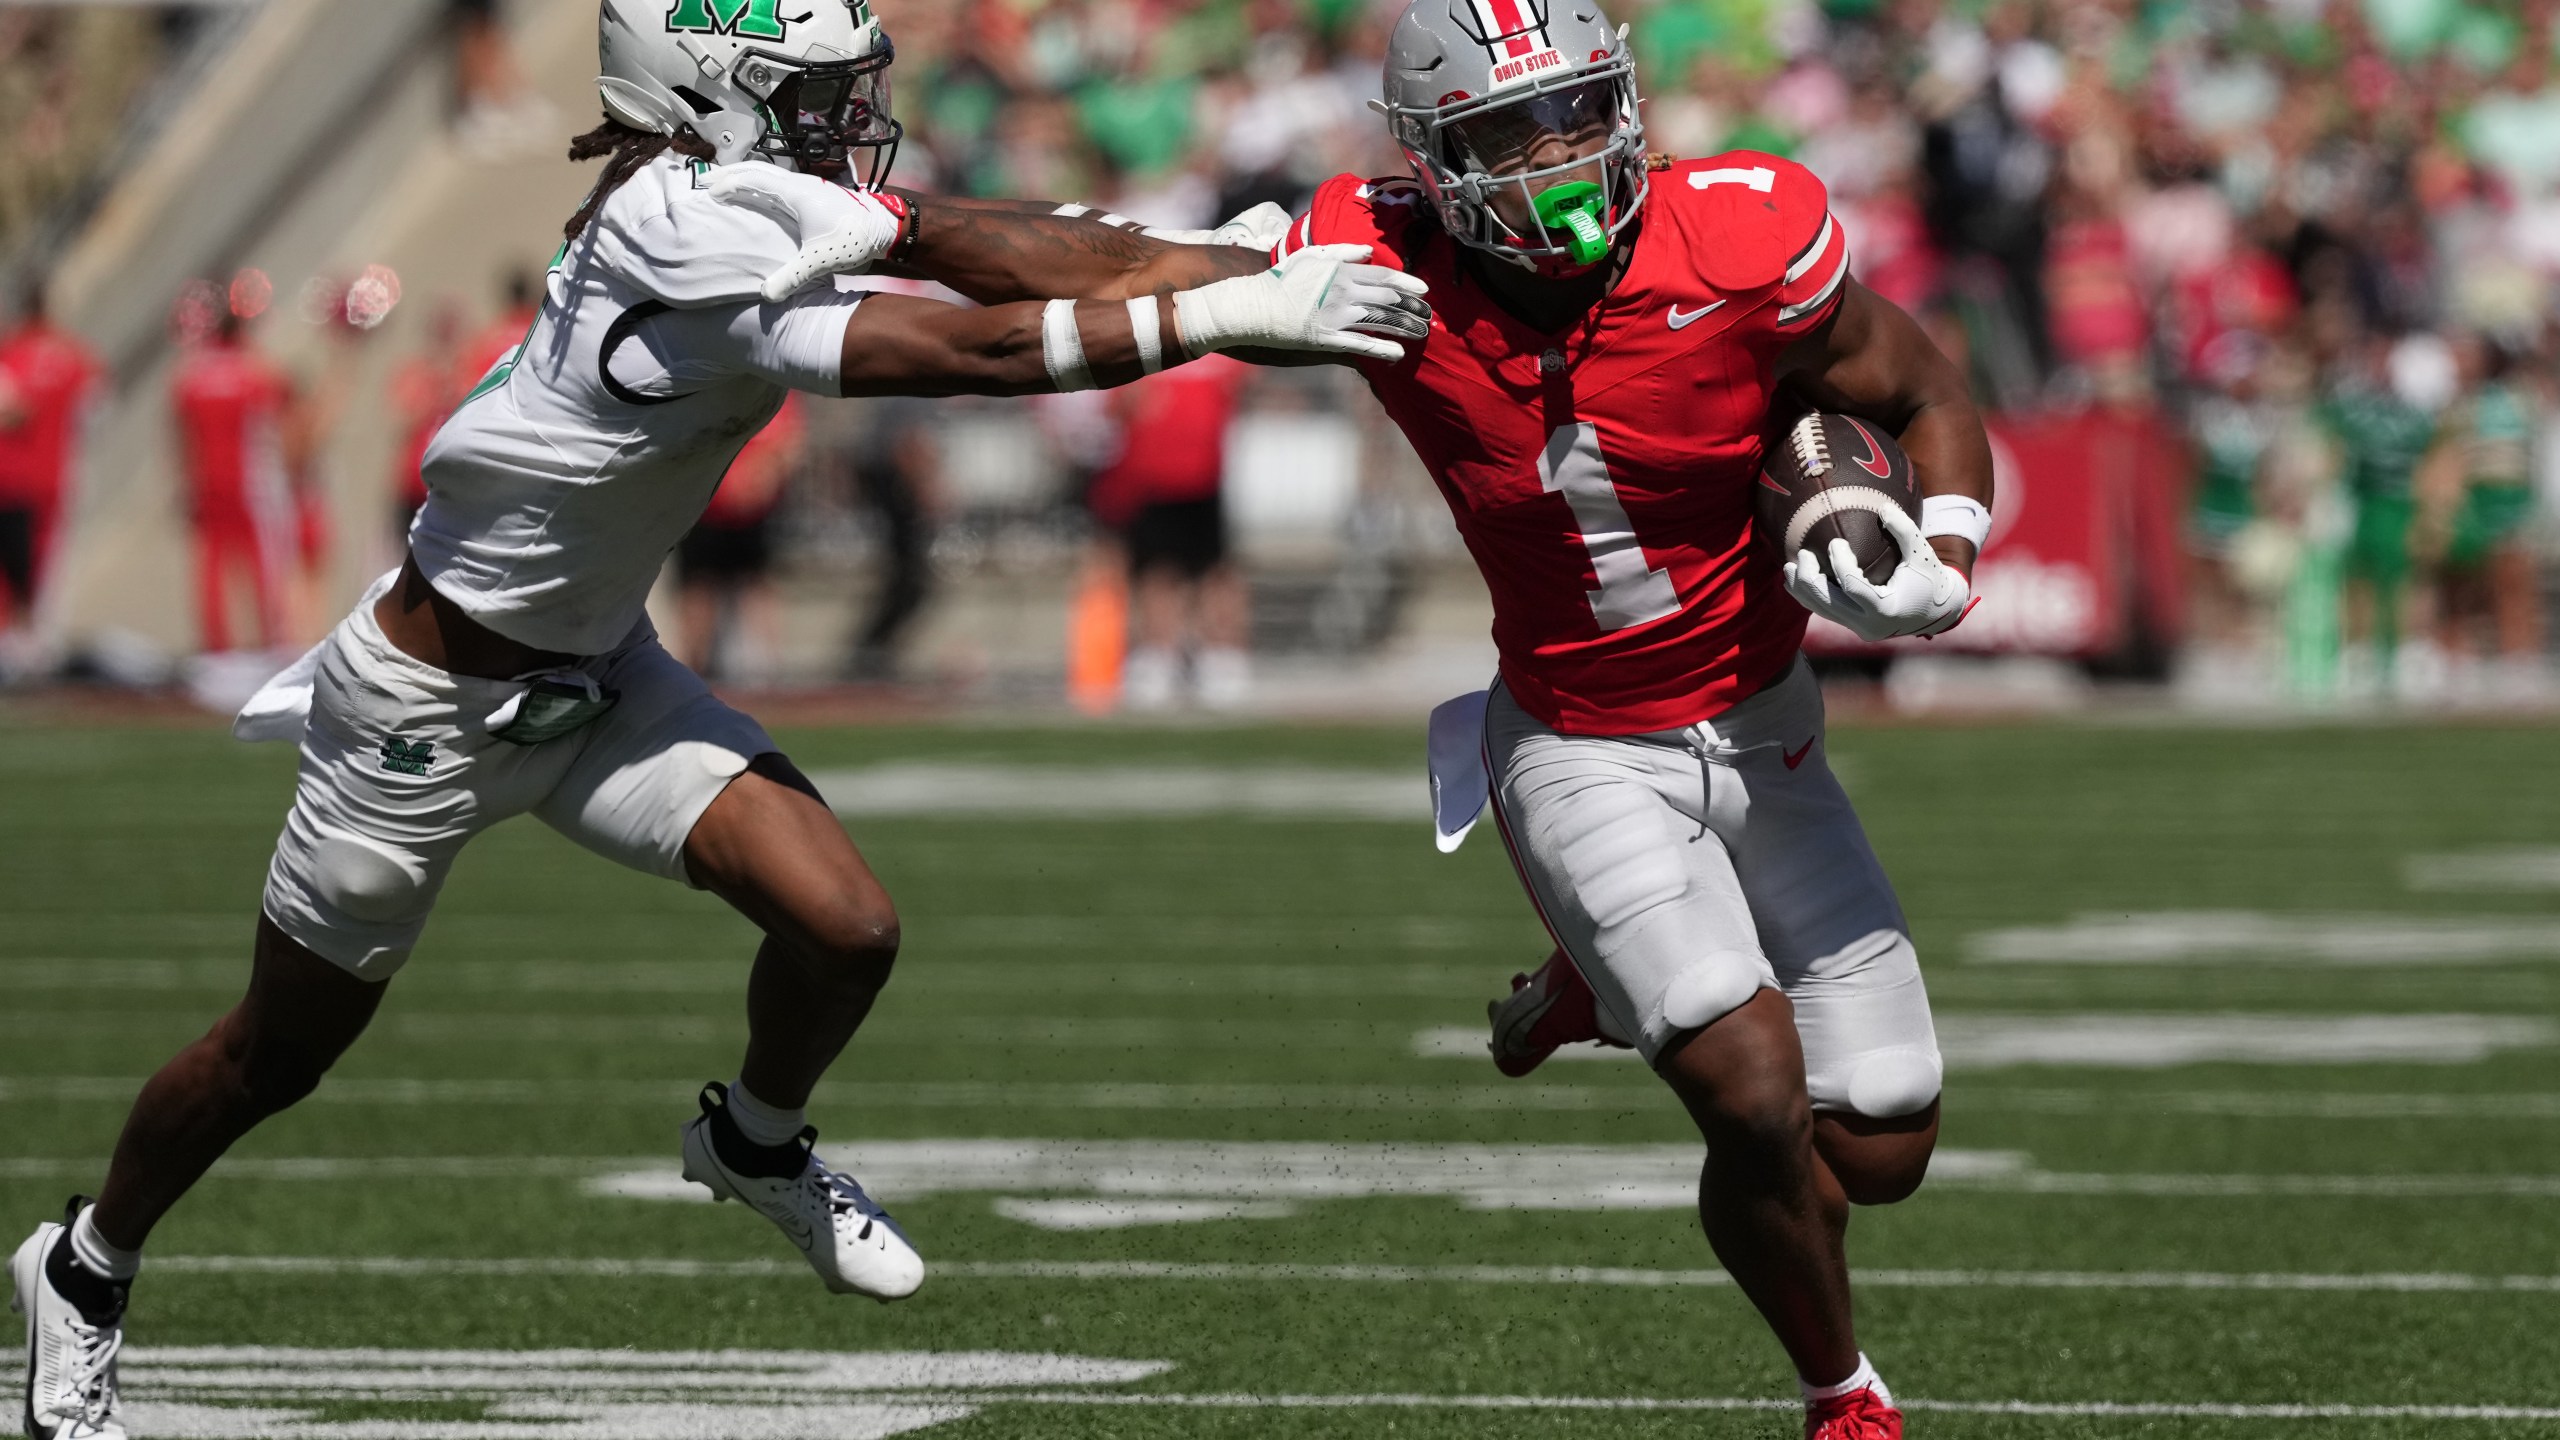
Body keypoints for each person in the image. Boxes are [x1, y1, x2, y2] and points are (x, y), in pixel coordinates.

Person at [5, 2, 1430, 1435]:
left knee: (846, 928)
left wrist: (1218, 255)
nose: (845, 124)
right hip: (424, 712)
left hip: (598, 675)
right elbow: (976, 352)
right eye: (811, 98)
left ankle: (754, 1142)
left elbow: (991, 241)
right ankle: (84, 1264)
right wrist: (1217, 312)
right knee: (276, 1056)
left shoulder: (741, 192)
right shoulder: (676, 228)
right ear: (708, 96)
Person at [1244, 2, 1994, 1433]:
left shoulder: (1740, 236)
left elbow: (1924, 391)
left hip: (1768, 734)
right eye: (1511, 132)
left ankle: (1590, 984)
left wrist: (1943, 557)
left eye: (1579, 111)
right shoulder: (1373, 258)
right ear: (1433, 156)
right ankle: (1843, 1396)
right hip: (1579, 741)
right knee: (1752, 1097)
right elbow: (1132, 268)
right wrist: (916, 234)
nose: (1559, 155)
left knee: (1881, 1143)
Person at [1089, 353, 1253, 708]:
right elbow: (1115, 408)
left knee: (1215, 573)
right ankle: (1159, 654)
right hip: (1152, 482)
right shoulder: (1143, 352)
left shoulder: (1219, 351)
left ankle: (1221, 655)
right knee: (1158, 574)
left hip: (1205, 479)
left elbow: (1248, 380)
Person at [172, 309, 296, 655]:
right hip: (248, 486)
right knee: (263, 564)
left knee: (211, 566)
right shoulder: (252, 374)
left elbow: (181, 435)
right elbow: (284, 396)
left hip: (205, 484)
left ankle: (216, 645)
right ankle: (272, 640)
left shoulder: (191, 377)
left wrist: (183, 481)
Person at [0, 282, 100, 655]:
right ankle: (38, 641)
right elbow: (96, 410)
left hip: (9, 476)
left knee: (11, 566)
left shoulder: (8, 353)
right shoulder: (73, 355)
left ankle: (14, 639)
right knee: (46, 565)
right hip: (55, 474)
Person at [676, 392, 801, 680]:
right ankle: (694, 668)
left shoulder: (775, 389)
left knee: (754, 583)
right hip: (703, 509)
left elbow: (788, 442)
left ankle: (769, 671)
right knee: (699, 587)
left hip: (752, 510)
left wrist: (759, 482)